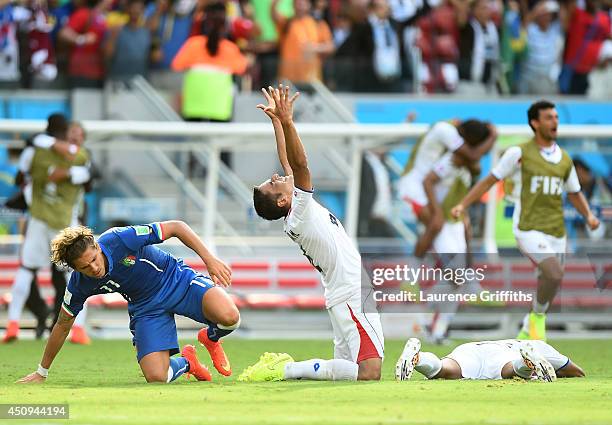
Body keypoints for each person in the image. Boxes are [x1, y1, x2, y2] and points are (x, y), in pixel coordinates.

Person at [240, 85, 384, 382]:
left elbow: (288, 163)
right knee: (368, 373)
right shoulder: (299, 212)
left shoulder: (295, 209)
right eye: (273, 183)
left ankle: (292, 372)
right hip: (349, 289)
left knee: (350, 372)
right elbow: (301, 164)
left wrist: (278, 122)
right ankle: (286, 368)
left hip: (347, 287)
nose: (278, 176)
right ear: (282, 200)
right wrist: (289, 122)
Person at [16, 221, 240, 384]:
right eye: (84, 267)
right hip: (146, 307)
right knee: (156, 377)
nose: (93, 268)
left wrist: (209, 260)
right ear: (74, 269)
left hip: (176, 279)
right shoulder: (78, 285)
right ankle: (188, 362)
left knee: (230, 318)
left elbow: (176, 227)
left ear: (96, 246)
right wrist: (41, 372)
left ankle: (211, 338)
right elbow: (62, 324)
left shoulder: (120, 238)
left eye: (93, 260)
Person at [451, 100, 600, 341]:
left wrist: (589, 216)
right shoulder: (518, 153)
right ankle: (537, 322)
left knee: (548, 282)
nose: (555, 122)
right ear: (535, 123)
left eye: (556, 117)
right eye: (549, 118)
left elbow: (574, 192)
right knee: (554, 273)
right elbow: (490, 180)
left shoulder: (563, 159)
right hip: (528, 228)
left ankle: (526, 326)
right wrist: (463, 204)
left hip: (556, 231)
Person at [3, 115, 93, 344]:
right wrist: (68, 170)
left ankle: (12, 324)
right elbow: (85, 174)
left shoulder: (35, 152)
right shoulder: (80, 157)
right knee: (78, 272)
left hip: (38, 219)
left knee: (26, 270)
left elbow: (22, 173)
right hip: (66, 224)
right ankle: (80, 330)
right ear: (66, 134)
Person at [397, 119, 496, 257]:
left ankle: (459, 272)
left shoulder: (455, 154)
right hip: (414, 189)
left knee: (463, 228)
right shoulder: (445, 130)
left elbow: (475, 165)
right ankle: (415, 273)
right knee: (436, 225)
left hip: (430, 191)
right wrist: (493, 137)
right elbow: (473, 156)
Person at [395, 337, 585, 382]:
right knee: (512, 369)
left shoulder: (517, 341)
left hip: (471, 348)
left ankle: (418, 359)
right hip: (505, 355)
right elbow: (576, 371)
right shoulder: (540, 346)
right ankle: (527, 364)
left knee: (446, 369)